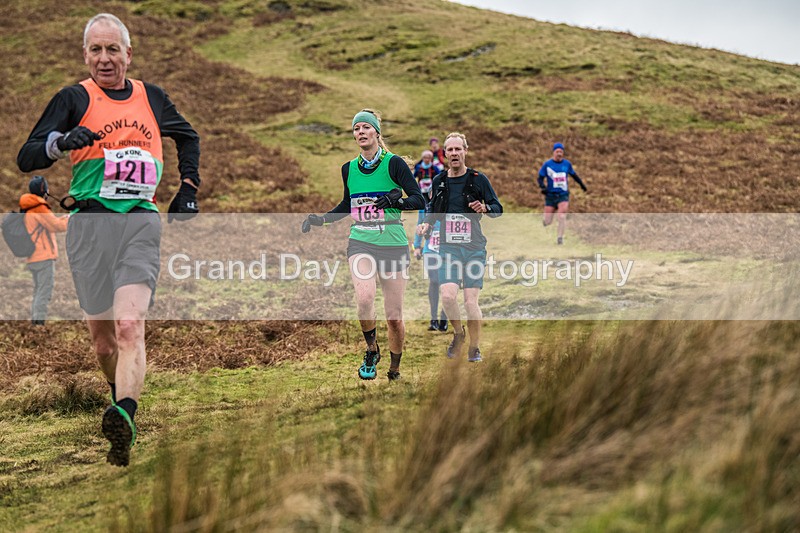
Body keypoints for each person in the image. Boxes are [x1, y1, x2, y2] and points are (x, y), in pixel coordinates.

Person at [17, 13, 201, 467]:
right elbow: (27, 155)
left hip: (140, 222)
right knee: (103, 344)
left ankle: (125, 414)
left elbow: (188, 137)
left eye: (112, 49)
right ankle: (120, 400)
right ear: (86, 55)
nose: (105, 58)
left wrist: (188, 189)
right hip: (89, 227)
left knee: (128, 325)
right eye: (96, 50)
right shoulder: (73, 98)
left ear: (128, 54)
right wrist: (61, 143)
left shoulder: (151, 98)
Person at [302, 109, 424, 381]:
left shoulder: (394, 165)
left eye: (365, 128)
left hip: (392, 243)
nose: (360, 133)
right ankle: (371, 349)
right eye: (356, 129)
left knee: (394, 317)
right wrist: (321, 219)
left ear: (376, 133)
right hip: (361, 241)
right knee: (365, 298)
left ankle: (394, 368)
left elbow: (419, 200)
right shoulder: (348, 169)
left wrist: (397, 201)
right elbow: (348, 204)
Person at [417, 132, 502, 362]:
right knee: (447, 297)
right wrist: (426, 224)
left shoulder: (478, 179)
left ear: (465, 151)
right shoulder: (439, 181)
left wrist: (485, 208)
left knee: (470, 301)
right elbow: (433, 209)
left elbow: (498, 208)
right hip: (448, 248)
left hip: (473, 248)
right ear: (445, 154)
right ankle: (458, 334)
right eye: (450, 150)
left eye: (458, 149)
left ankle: (475, 347)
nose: (454, 153)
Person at [19, 176, 69, 325]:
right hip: (43, 257)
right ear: (44, 190)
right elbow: (56, 225)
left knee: (38, 290)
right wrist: (71, 218)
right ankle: (38, 325)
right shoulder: (39, 207)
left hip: (33, 256)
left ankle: (35, 322)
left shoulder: (28, 206)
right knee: (44, 292)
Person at [412, 179, 447, 332]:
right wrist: (417, 246)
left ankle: (444, 318)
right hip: (430, 249)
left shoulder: (450, 207)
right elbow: (419, 226)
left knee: (447, 284)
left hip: (448, 250)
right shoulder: (424, 209)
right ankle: (433, 319)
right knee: (434, 281)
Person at [537, 142, 587, 245]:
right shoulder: (547, 165)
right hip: (550, 195)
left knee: (562, 216)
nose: (559, 154)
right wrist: (543, 187)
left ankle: (560, 238)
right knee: (548, 221)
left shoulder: (567, 164)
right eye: (557, 151)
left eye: (561, 152)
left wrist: (582, 185)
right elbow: (540, 178)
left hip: (563, 195)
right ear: (553, 152)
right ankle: (546, 220)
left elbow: (574, 175)